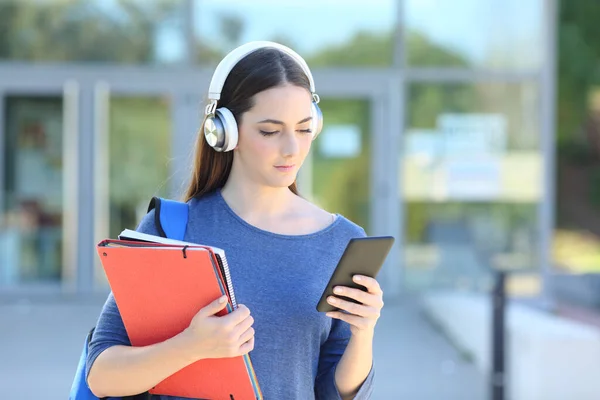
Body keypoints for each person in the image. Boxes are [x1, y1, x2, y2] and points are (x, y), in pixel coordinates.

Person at [86, 41, 384, 400]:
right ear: (224, 132)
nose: (292, 148)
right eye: (270, 131)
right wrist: (190, 346)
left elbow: (334, 392)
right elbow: (101, 375)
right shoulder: (171, 229)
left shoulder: (343, 242)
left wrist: (363, 333)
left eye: (304, 128)